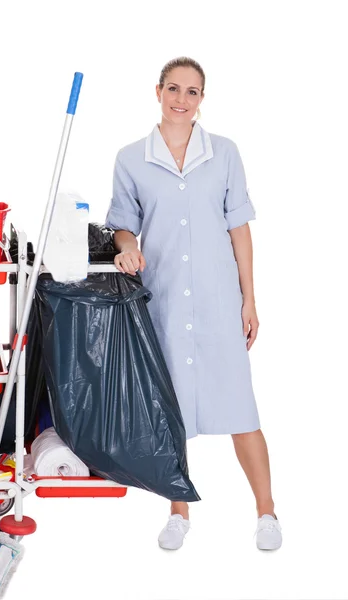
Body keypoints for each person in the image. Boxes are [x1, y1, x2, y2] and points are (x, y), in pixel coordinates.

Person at [104, 56, 282, 552]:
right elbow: (123, 222)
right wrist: (126, 246)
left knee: (241, 411)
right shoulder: (131, 158)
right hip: (163, 300)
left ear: (203, 98)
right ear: (157, 91)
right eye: (174, 89)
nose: (182, 100)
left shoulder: (223, 153)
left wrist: (249, 298)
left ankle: (266, 512)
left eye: (193, 92)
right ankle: (178, 511)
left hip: (218, 300)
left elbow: (238, 227)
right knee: (171, 413)